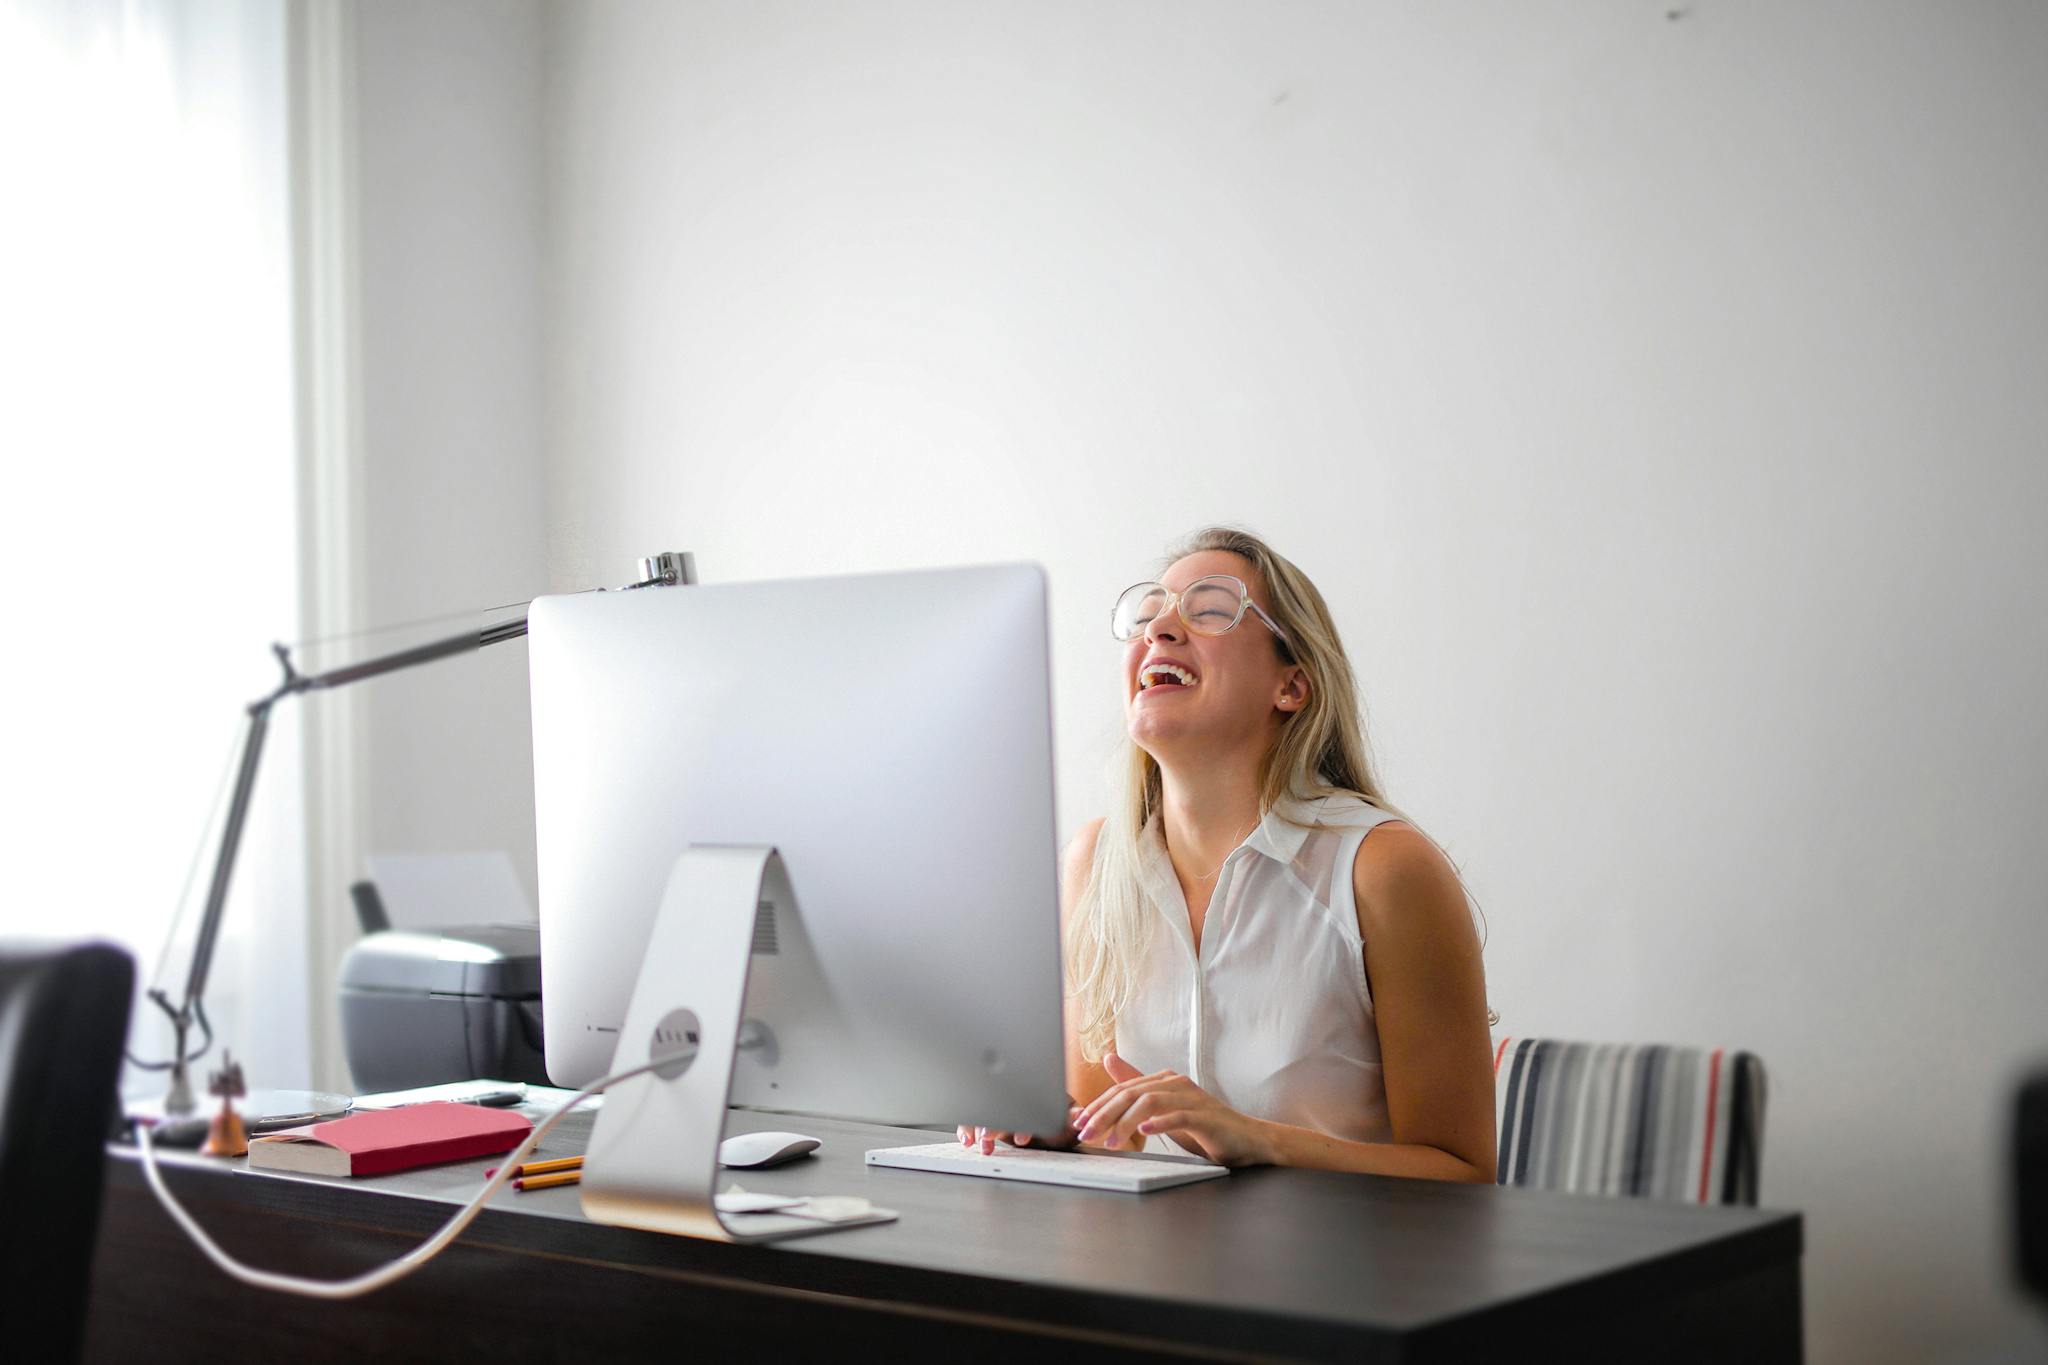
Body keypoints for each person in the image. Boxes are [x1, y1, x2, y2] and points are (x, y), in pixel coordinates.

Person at [959, 527, 1497, 1181]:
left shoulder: (1385, 870)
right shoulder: (1092, 863)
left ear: (1292, 685)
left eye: (1210, 608)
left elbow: (1465, 1174)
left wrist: (1256, 1138)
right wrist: (1048, 1131)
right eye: (1150, 612)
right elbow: (1108, 1133)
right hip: (1143, 1271)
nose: (1161, 628)